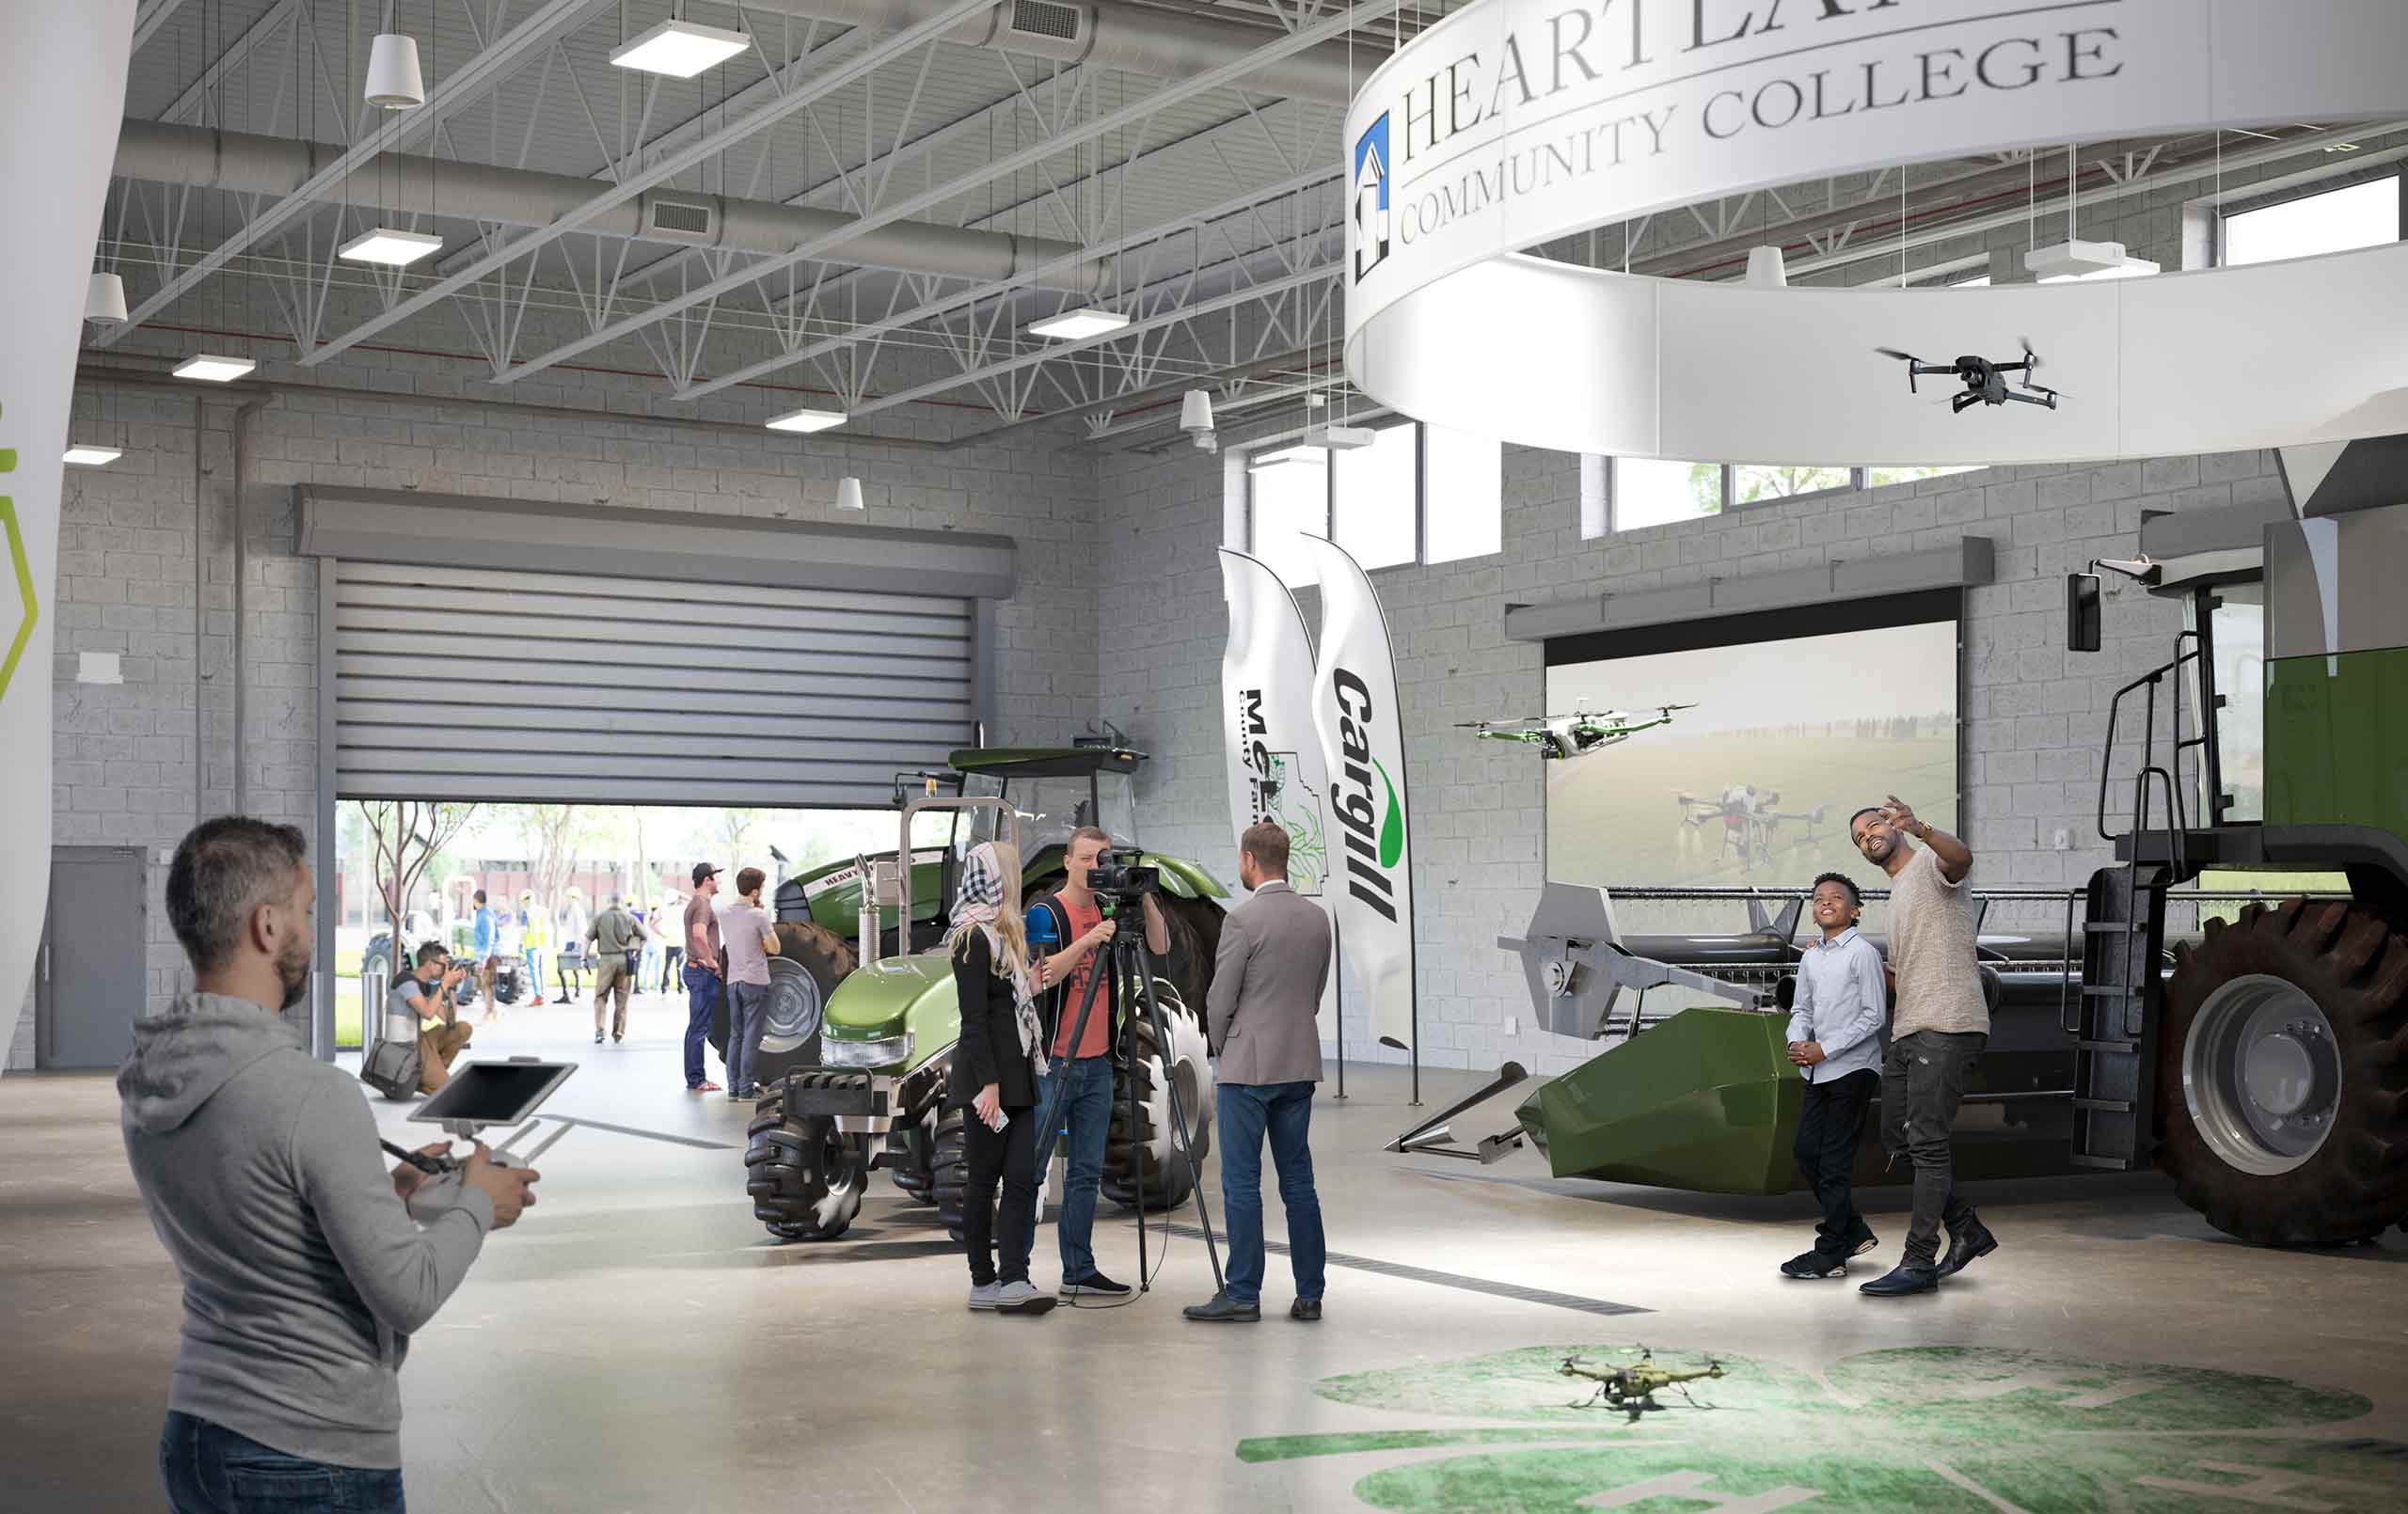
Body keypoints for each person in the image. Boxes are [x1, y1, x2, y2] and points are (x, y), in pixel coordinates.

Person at [121, 816, 539, 1513]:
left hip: (198, 1434)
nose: (312, 934)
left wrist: (381, 1194)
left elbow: (253, 1210)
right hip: (310, 1455)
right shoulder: (311, 1095)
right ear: (267, 927)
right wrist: (476, 1202)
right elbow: (408, 1292)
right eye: (308, 913)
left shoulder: (152, 1076)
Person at [1850, 795, 1999, 1297]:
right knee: (1896, 1134)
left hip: (1948, 1020)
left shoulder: (1931, 866)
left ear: (1894, 825)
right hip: (1910, 1027)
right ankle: (1967, 1229)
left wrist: (1922, 827)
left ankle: (1918, 1261)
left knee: (1929, 1141)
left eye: (1873, 824)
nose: (1867, 835)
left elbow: (1961, 858)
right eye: (1858, 837)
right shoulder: (1896, 896)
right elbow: (1900, 976)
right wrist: (1842, 959)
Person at [1185, 821, 1331, 1324]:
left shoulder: (1242, 922)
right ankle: (1310, 1293)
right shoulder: (1318, 919)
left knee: (1242, 1184)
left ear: (1249, 859)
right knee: (1299, 1182)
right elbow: (1314, 993)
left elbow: (1220, 999)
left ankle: (1243, 1292)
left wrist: (1224, 1046)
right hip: (1298, 1064)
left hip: (1247, 1069)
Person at [1030, 826, 1169, 1301]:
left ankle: (1079, 1268)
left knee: (1087, 1172)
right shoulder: (1047, 911)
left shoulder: (1111, 909)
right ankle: (1015, 1270)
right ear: (1067, 862)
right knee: (1032, 1168)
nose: (1094, 868)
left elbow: (1161, 946)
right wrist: (1090, 943)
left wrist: (1143, 897)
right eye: (1087, 858)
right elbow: (1040, 978)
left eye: (1102, 859)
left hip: (1097, 1064)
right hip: (1054, 1063)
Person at [950, 842, 1054, 1317]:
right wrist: (988, 1084)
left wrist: (1033, 980)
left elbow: (1010, 1004)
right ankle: (982, 1280)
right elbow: (973, 1020)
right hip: (987, 1080)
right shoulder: (972, 938)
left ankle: (1015, 1277)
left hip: (1017, 1076)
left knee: (1020, 1180)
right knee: (983, 1181)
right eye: (1010, 872)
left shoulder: (1000, 936)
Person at [1779, 872, 1887, 1281]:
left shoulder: (1862, 954)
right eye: (1819, 897)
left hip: (1853, 1069)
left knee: (1834, 1161)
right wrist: (1796, 1043)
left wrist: (1826, 1048)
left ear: (1854, 910)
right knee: (1807, 1152)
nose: (1826, 902)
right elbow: (1801, 1010)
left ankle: (1831, 1253)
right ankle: (1853, 1230)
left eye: (1836, 898)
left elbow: (1874, 1015)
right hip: (1817, 1070)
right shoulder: (1811, 957)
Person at [718, 868, 782, 1099]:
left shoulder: (724, 913)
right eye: (762, 888)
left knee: (736, 1036)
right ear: (755, 891)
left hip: (733, 981)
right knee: (751, 1038)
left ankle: (733, 1088)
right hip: (755, 981)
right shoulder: (758, 916)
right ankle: (746, 1089)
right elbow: (775, 948)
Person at [389, 941, 474, 1096]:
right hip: (403, 1046)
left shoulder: (425, 985)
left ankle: (431, 1073)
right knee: (448, 1092)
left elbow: (450, 1021)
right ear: (430, 965)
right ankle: (420, 1078)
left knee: (463, 1029)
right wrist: (444, 984)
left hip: (419, 1039)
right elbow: (427, 1013)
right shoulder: (405, 981)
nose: (446, 969)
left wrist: (452, 987)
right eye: (443, 965)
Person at [681, 867, 724, 1093]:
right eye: (715, 877)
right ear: (707, 880)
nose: (718, 881)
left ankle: (695, 1078)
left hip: (695, 969)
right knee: (698, 1028)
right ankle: (697, 1079)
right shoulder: (702, 905)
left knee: (696, 1027)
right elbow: (699, 934)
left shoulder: (695, 904)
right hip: (701, 971)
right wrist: (710, 960)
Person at [586, 893, 644, 1045]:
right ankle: (618, 1033)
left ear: (608, 902)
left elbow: (587, 938)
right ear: (621, 903)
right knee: (622, 999)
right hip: (625, 960)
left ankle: (600, 1031)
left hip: (606, 961)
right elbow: (643, 935)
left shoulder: (599, 918)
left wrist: (583, 957)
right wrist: (634, 948)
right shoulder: (630, 918)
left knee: (600, 997)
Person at [470, 889, 500, 1024]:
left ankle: (489, 1013)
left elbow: (489, 939)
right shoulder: (482, 914)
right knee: (484, 985)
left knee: (487, 985)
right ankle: (493, 1012)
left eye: (473, 900)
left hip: (487, 956)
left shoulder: (485, 916)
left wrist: (483, 960)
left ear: (476, 900)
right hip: (484, 955)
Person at [557, 887, 590, 1004]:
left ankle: (575, 993)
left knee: (568, 968)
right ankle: (570, 994)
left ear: (574, 898)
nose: (566, 899)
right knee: (567, 968)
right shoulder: (572, 910)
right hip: (570, 942)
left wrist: (578, 945)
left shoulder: (577, 910)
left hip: (575, 943)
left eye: (568, 897)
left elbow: (582, 929)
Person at [517, 891, 549, 1006]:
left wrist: (520, 943)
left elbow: (524, 930)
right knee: (541, 970)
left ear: (525, 900)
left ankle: (538, 996)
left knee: (534, 970)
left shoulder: (526, 912)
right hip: (542, 943)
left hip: (531, 944)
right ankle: (542, 995)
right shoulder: (543, 910)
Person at [657, 892, 686, 992]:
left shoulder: (665, 910)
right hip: (680, 943)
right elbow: (694, 901)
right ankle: (680, 987)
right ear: (676, 900)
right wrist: (682, 896)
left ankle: (664, 987)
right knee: (679, 967)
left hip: (669, 942)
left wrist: (661, 934)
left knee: (667, 966)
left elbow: (652, 924)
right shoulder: (681, 909)